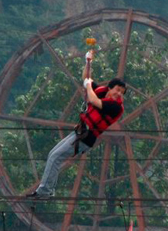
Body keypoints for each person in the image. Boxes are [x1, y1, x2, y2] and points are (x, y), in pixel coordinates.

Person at [28, 52, 126, 198]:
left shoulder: (115, 107)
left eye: (122, 92)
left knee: (55, 157)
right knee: (52, 155)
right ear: (109, 88)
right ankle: (48, 190)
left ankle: (44, 192)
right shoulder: (101, 91)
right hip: (80, 132)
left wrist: (88, 86)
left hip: (86, 139)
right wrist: (88, 62)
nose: (119, 94)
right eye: (117, 90)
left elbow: (93, 101)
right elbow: (86, 78)